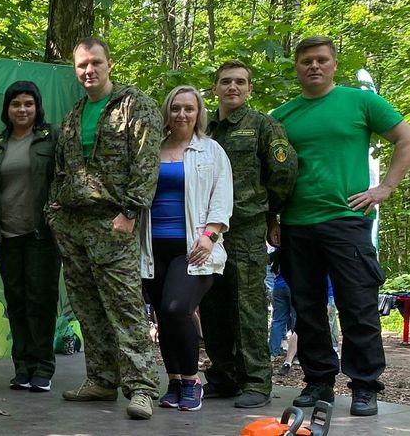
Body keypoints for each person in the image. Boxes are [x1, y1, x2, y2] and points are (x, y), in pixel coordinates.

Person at [271, 35, 410, 416]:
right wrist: (272, 219)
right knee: (308, 308)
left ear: (334, 64)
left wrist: (385, 188)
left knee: (358, 305)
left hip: (346, 220)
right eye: (306, 61)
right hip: (296, 224)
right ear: (296, 67)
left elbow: (405, 138)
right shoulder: (281, 117)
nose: (313, 66)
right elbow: (270, 174)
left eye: (321, 60)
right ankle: (318, 382)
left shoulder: (360, 102)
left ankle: (365, 386)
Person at [48, 37, 161, 420]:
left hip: (115, 221)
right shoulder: (74, 113)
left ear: (109, 63)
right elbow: (63, 168)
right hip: (74, 224)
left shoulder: (135, 105)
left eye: (95, 62)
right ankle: (100, 379)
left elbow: (146, 164)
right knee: (88, 307)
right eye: (81, 65)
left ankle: (143, 387)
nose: (88, 70)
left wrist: (131, 212)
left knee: (125, 307)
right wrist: (54, 212)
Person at [201, 60, 298, 408]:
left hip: (245, 227)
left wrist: (270, 214)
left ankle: (257, 380)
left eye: (240, 82)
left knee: (248, 305)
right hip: (206, 232)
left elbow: (284, 171)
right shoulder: (204, 129)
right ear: (215, 87)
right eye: (225, 81)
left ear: (249, 88)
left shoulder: (263, 125)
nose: (233, 88)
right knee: (212, 302)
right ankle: (223, 376)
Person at [139, 85, 233, 412]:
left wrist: (210, 236)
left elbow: (222, 200)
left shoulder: (211, 151)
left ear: (198, 114)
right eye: (176, 108)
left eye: (188, 109)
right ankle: (175, 381)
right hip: (151, 249)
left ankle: (192, 381)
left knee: (178, 309)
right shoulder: (150, 149)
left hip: (193, 248)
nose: (182, 114)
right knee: (164, 318)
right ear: (167, 112)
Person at [0, 81, 60, 392]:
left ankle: (43, 366)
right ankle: (23, 366)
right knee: (15, 301)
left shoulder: (50, 138)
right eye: (16, 104)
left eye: (29, 103)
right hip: (7, 235)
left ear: (37, 107)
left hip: (41, 234)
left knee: (40, 301)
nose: (23, 109)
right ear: (8, 109)